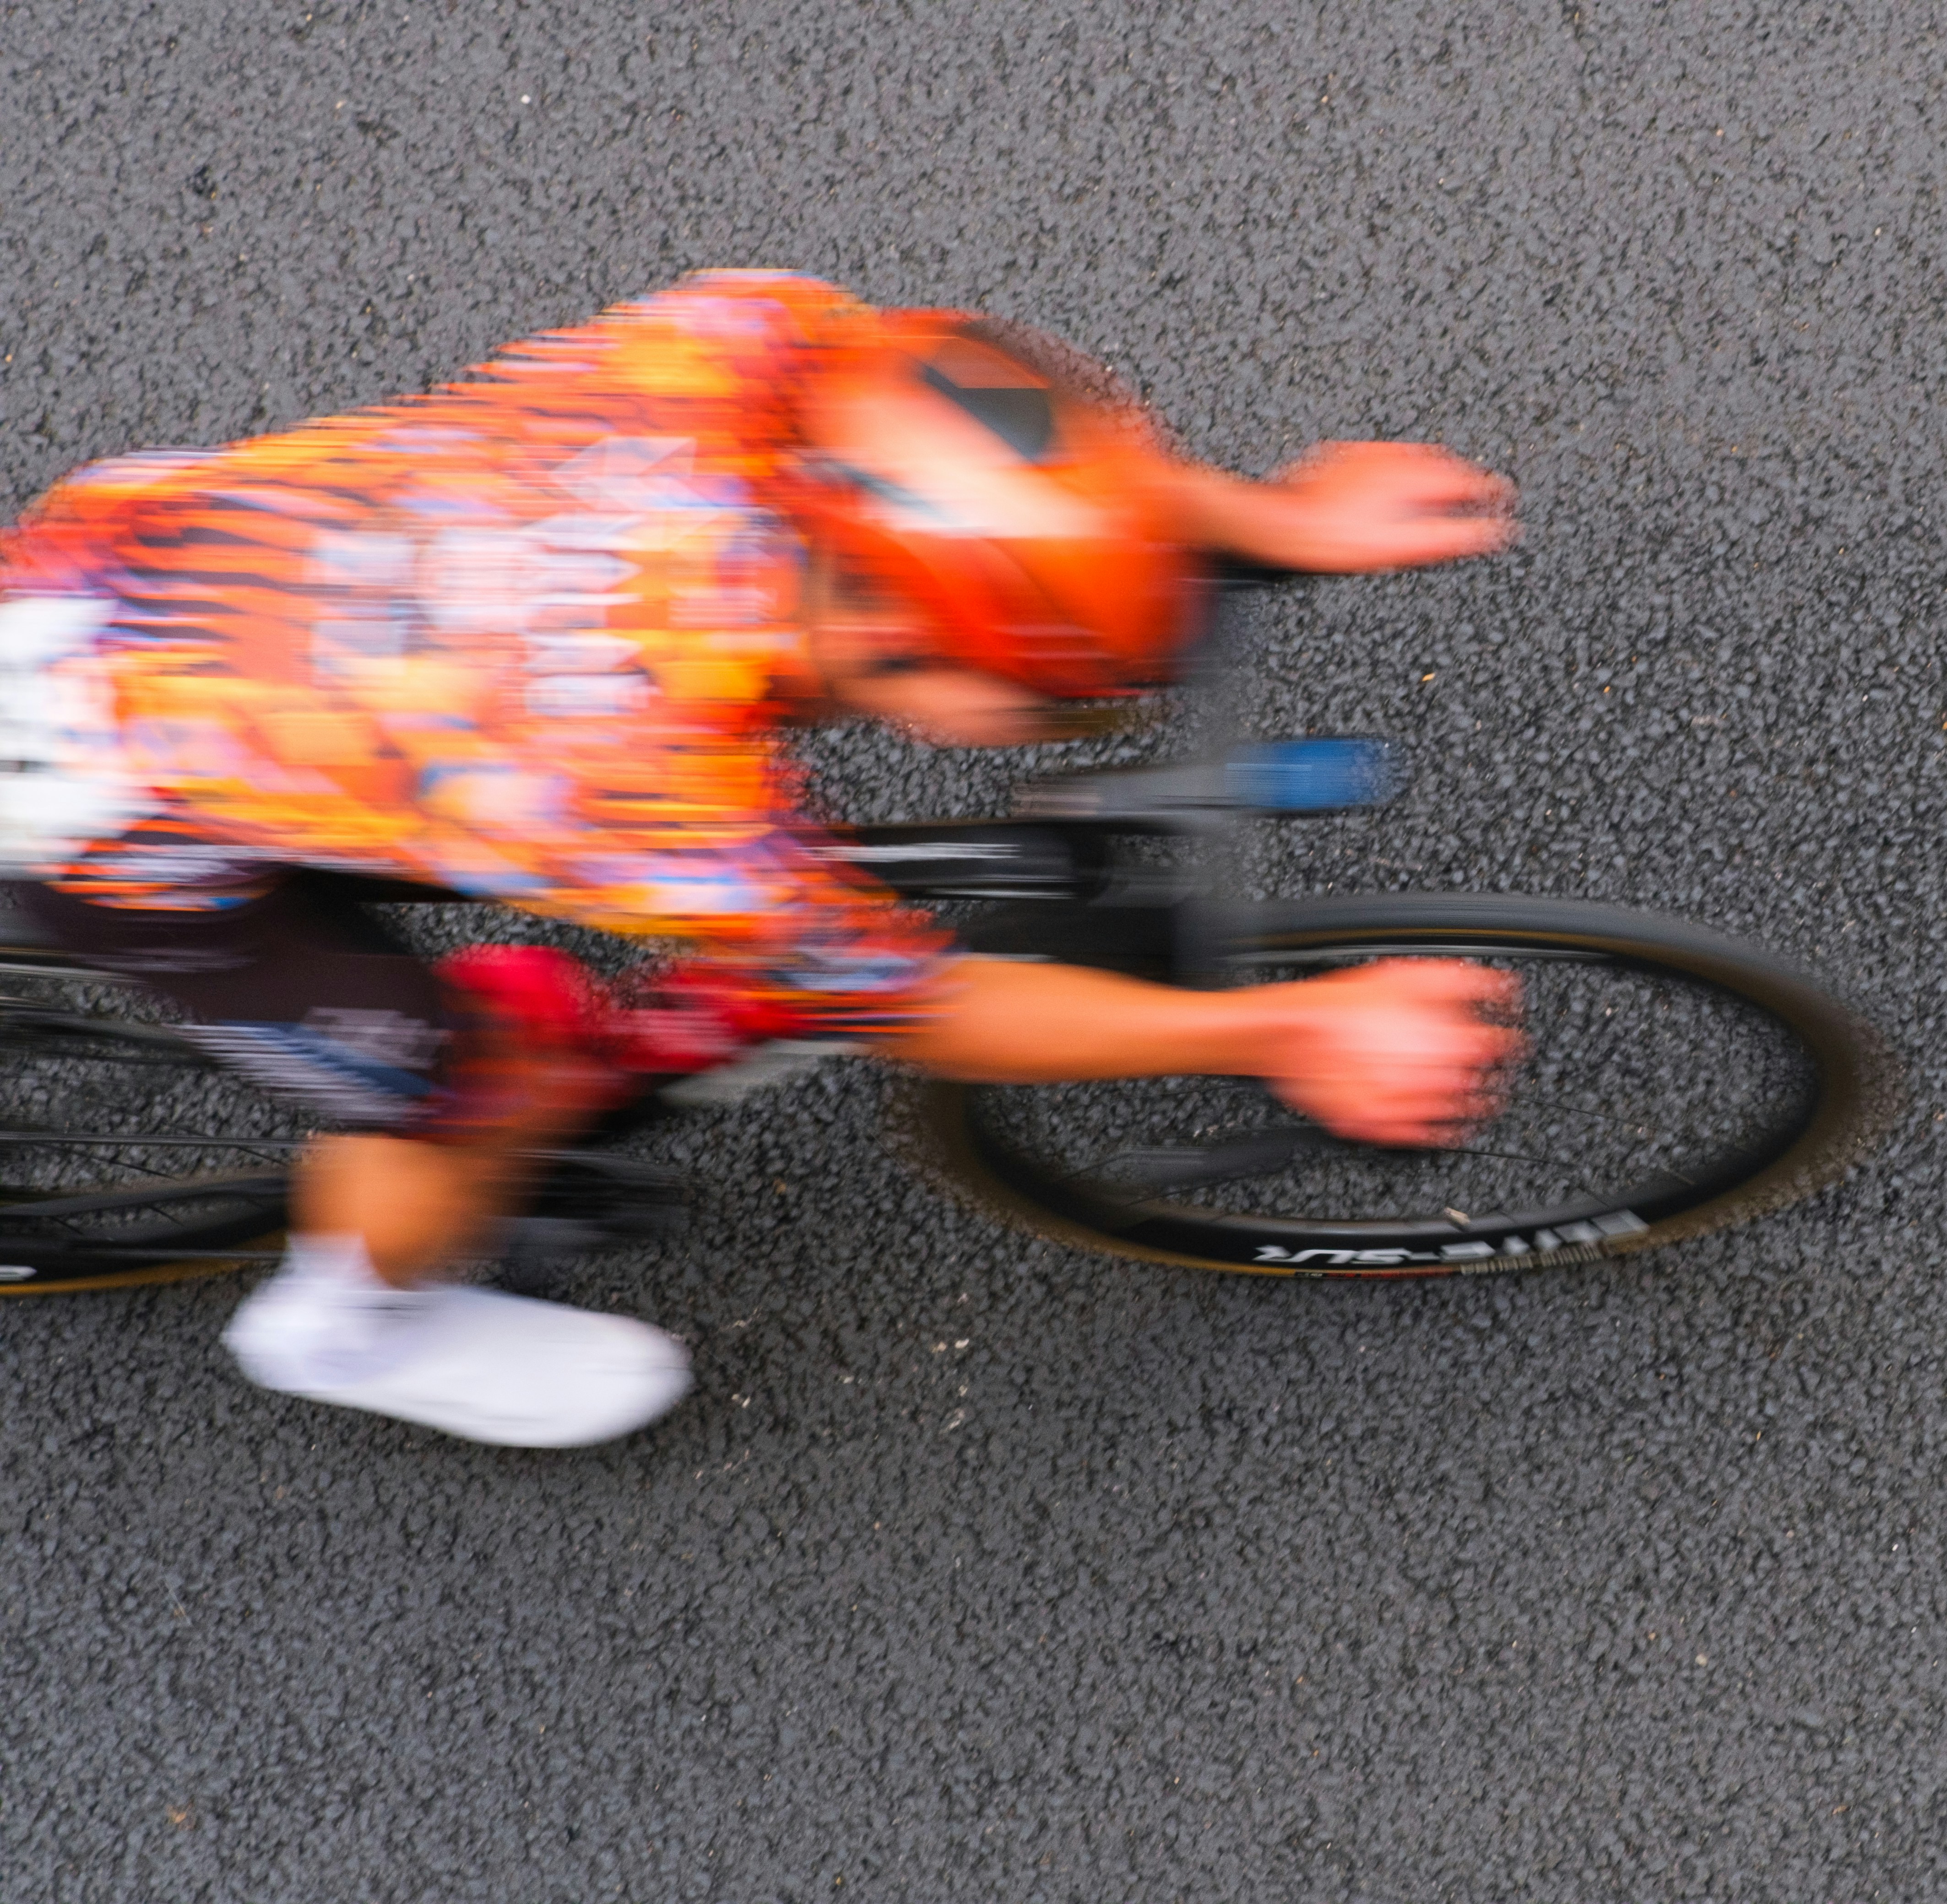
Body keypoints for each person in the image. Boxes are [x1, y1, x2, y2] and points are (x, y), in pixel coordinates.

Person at [0, 270, 1520, 1447]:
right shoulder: (648, 788)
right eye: (1059, 694)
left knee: (436, 799)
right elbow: (930, 1010)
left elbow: (1015, 473)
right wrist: (1283, 1030)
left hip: (139, 576)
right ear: (906, 638)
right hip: (102, 805)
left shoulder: (744, 344)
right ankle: (350, 1328)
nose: (1072, 717)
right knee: (491, 1081)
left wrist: (1275, 516)